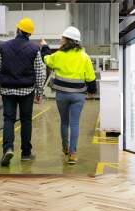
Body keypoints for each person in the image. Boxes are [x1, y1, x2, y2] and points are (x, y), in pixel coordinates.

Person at [0, 18, 46, 167]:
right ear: (29, 33)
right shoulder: (34, 49)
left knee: (8, 119)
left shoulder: (4, 46)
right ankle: (26, 154)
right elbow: (40, 72)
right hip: (27, 91)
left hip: (7, 90)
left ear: (18, 30)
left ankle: (7, 148)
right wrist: (39, 93)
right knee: (26, 120)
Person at [40, 26, 96, 164]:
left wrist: (45, 47)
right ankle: (72, 154)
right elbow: (91, 78)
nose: (60, 40)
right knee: (75, 123)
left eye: (62, 38)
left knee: (64, 122)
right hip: (78, 96)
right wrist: (91, 91)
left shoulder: (58, 55)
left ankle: (65, 148)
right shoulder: (85, 57)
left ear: (67, 40)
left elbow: (46, 59)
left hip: (62, 95)